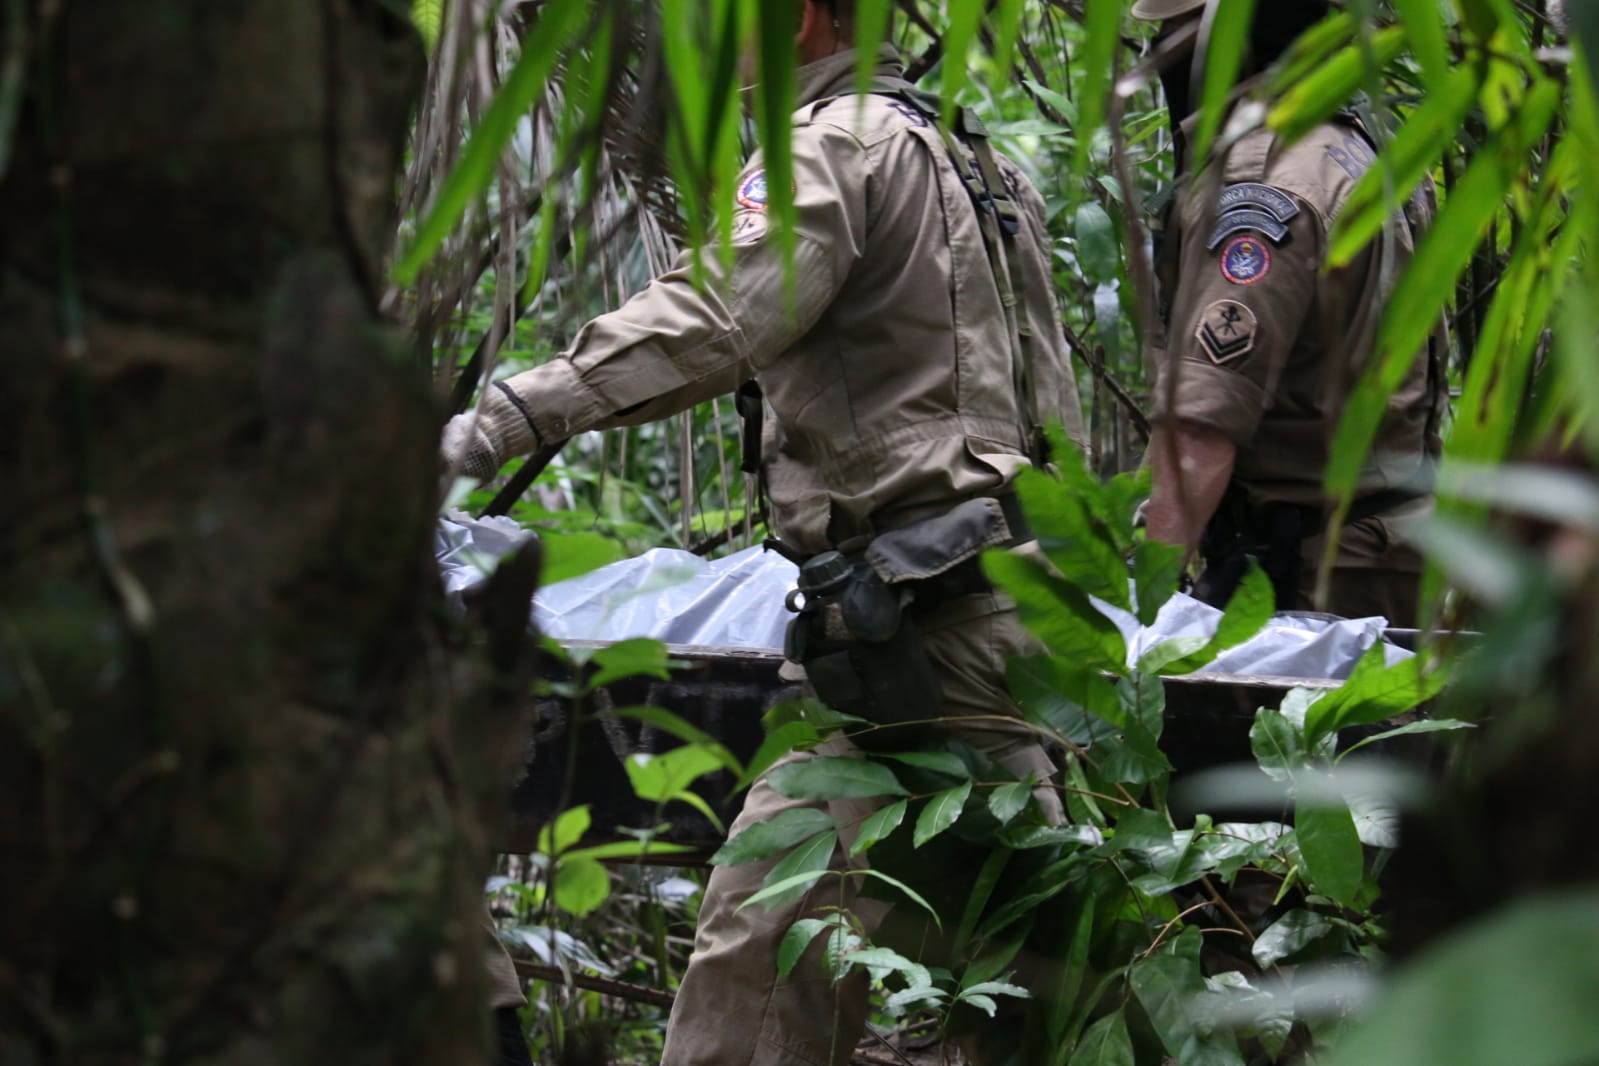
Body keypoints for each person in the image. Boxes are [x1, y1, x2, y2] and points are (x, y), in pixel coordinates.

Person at [441, 1, 1085, 1061]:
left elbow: (722, 315)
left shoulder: (830, 146)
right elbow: (1046, 412)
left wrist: (503, 420)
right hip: (975, 617)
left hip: (921, 639)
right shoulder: (971, 161)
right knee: (871, 965)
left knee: (836, 979)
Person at [1136, 0, 1448, 627]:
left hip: (1308, 581)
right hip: (1387, 557)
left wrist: (1133, 611)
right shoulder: (1367, 154)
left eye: (1172, 35)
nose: (1158, 57)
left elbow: (1201, 429)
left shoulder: (1265, 180)